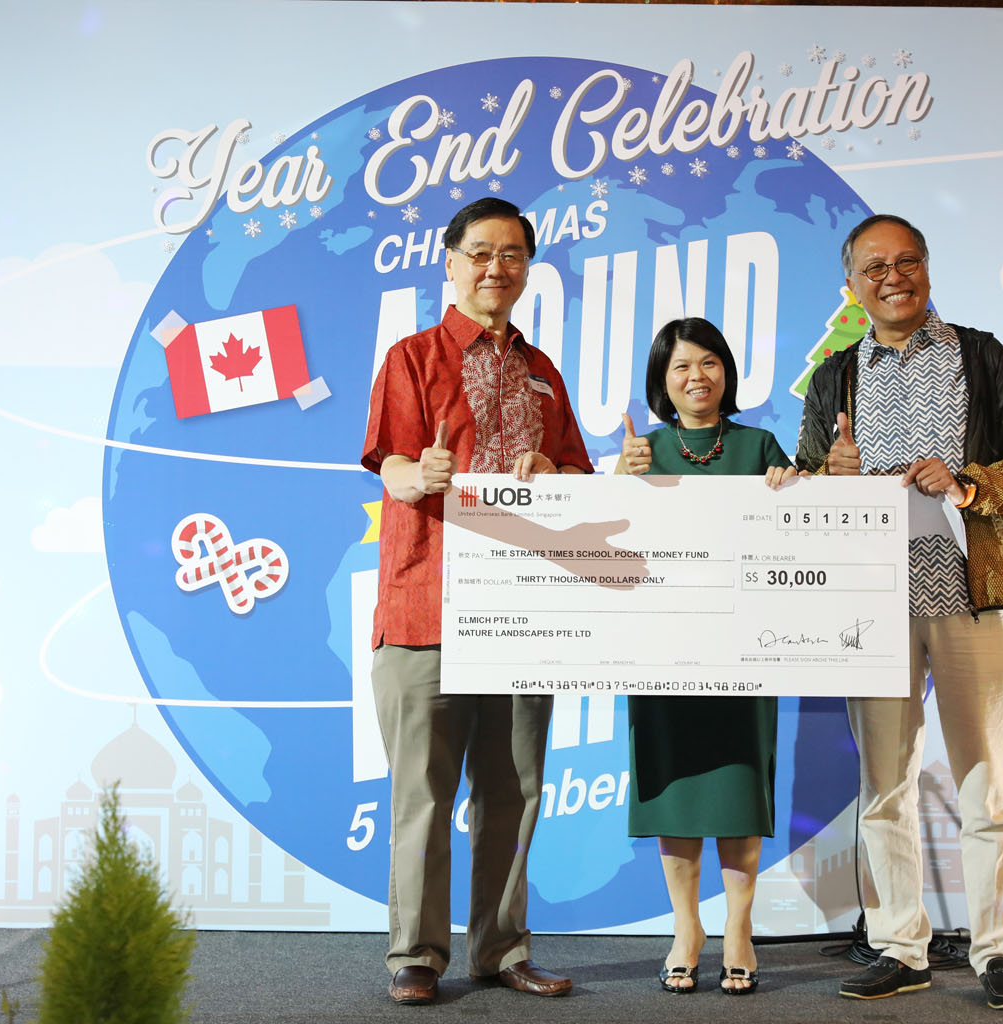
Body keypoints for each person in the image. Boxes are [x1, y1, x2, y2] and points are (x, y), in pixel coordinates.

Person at [794, 215, 1003, 1011]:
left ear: (928, 270)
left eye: (906, 262)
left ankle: (1000, 951)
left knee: (986, 784)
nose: (893, 277)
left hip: (969, 594)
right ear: (852, 285)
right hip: (872, 603)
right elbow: (801, 483)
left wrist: (970, 484)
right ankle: (900, 947)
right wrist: (827, 476)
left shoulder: (979, 354)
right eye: (874, 267)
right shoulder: (834, 377)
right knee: (883, 786)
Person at [361, 197, 592, 1006]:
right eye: (483, 252)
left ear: (528, 268)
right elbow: (387, 464)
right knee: (421, 794)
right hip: (426, 606)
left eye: (514, 254)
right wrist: (415, 475)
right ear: (451, 261)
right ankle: (416, 956)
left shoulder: (543, 371)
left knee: (515, 792)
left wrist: (553, 474)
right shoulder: (413, 357)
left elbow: (578, 477)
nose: (498, 268)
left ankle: (502, 948)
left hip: (525, 611)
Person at [615, 317, 799, 996]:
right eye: (681, 367)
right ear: (662, 382)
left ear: (726, 370)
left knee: (738, 786)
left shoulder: (759, 446)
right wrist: (619, 479)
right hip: (663, 650)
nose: (698, 377)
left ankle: (740, 928)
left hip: (744, 647)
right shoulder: (644, 452)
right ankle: (686, 927)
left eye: (709, 362)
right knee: (678, 789)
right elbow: (608, 546)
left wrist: (795, 487)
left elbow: (798, 535)